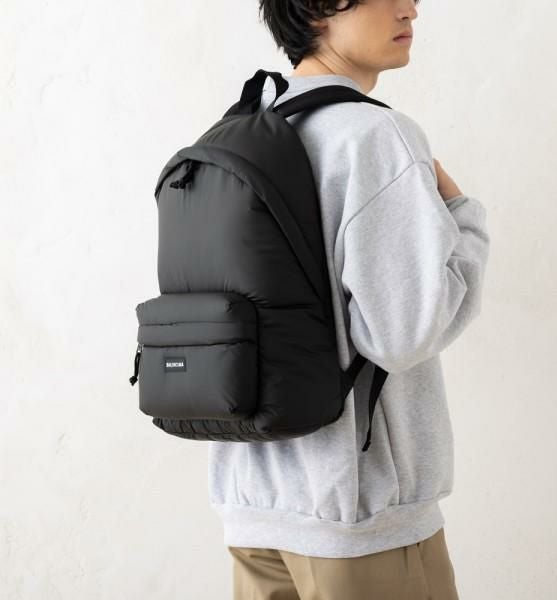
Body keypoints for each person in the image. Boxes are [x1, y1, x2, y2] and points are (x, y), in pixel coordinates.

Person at [209, 1, 491, 598]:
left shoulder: (241, 129)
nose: (410, 7)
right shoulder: (373, 135)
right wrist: (466, 225)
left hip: (253, 508)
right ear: (317, 9)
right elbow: (403, 335)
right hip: (360, 522)